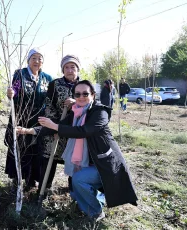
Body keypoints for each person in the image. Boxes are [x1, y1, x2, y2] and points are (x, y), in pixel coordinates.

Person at [17, 80, 138, 222]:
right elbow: (57, 125)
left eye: (85, 93)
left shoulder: (100, 112)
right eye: (78, 94)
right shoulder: (76, 113)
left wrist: (56, 127)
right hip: (91, 162)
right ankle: (90, 204)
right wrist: (28, 130)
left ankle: (95, 212)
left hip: (105, 164)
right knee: (76, 186)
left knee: (78, 180)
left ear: (92, 95)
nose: (81, 97)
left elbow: (85, 131)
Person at [4, 47, 53, 192]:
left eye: (40, 58)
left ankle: (32, 180)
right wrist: (10, 93)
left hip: (38, 120)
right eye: (34, 58)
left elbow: (49, 99)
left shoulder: (47, 78)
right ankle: (17, 179)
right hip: (21, 117)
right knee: (19, 147)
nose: (37, 61)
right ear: (28, 61)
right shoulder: (20, 74)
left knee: (36, 149)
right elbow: (15, 91)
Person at [38, 54, 80, 194]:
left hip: (75, 131)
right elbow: (49, 105)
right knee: (49, 159)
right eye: (66, 67)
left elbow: (90, 105)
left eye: (72, 67)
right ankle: (44, 189)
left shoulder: (83, 86)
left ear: (77, 69)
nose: (69, 70)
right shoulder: (55, 84)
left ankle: (74, 191)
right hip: (55, 129)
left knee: (74, 161)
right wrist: (54, 125)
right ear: (62, 70)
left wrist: (76, 102)